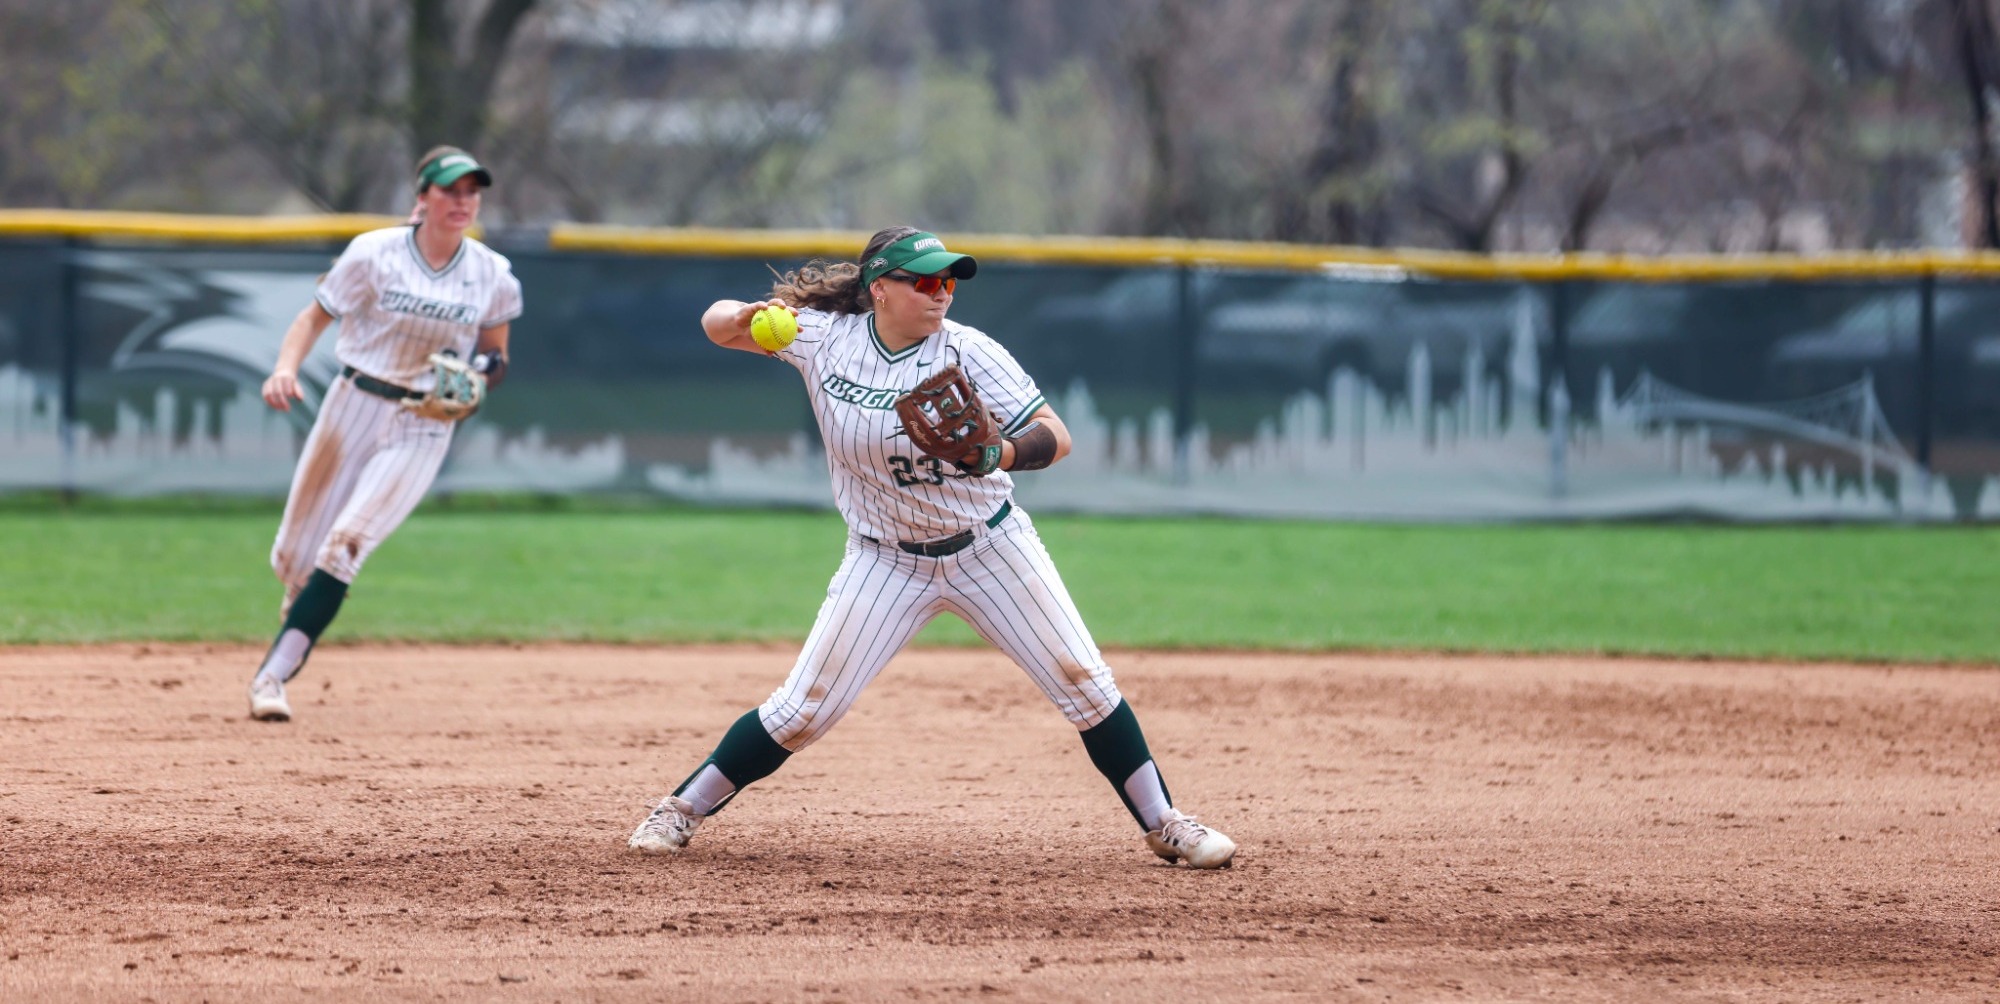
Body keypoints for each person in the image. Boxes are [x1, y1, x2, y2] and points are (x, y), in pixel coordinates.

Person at [627, 227, 1236, 868]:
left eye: (948, 280)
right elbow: (717, 325)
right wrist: (744, 316)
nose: (941, 291)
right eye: (924, 280)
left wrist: (999, 454)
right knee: (802, 710)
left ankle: (1166, 823)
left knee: (1084, 682)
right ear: (879, 288)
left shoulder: (970, 351)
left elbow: (1055, 436)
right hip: (883, 559)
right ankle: (680, 810)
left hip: (989, 548)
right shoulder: (823, 337)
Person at [245, 146, 519, 722]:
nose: (463, 200)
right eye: (450, 190)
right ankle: (302, 595)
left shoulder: (491, 273)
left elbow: (496, 354)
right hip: (353, 405)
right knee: (294, 558)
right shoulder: (374, 253)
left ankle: (272, 677)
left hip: (425, 422)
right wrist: (285, 368)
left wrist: (479, 374)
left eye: (472, 191)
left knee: (346, 544)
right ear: (422, 197)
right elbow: (313, 318)